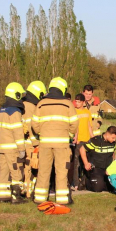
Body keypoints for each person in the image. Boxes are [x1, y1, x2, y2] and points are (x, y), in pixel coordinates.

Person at [31, 77, 78, 205]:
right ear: (63, 89)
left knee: (43, 171)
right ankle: (62, 200)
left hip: (45, 143)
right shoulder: (67, 104)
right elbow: (74, 123)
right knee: (61, 172)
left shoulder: (41, 103)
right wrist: (68, 135)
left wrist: (42, 133)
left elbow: (34, 123)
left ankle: (40, 198)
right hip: (62, 144)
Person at [0, 82, 27, 204]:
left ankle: (4, 196)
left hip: (2, 148)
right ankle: (16, 197)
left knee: (4, 172)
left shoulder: (2, 110)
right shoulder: (15, 112)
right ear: (17, 95)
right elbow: (17, 132)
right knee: (16, 172)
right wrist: (21, 149)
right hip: (12, 148)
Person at [22, 80, 46, 198]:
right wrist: (36, 143)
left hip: (22, 143)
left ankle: (24, 190)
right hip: (30, 144)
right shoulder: (30, 107)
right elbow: (31, 127)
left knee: (24, 168)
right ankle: (28, 192)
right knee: (30, 168)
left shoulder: (23, 104)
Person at [80, 126, 116, 192]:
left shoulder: (113, 143)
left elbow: (113, 152)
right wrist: (86, 163)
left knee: (112, 187)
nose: (114, 140)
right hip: (96, 168)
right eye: (113, 138)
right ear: (107, 134)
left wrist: (113, 163)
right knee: (98, 188)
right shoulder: (96, 141)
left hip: (107, 169)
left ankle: (103, 183)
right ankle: (85, 181)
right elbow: (82, 149)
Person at [70, 93, 94, 189]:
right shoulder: (74, 112)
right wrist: (76, 138)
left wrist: (93, 138)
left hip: (87, 140)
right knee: (76, 163)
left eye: (79, 102)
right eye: (76, 101)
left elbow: (89, 126)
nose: (77, 103)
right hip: (78, 141)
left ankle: (84, 181)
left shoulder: (87, 112)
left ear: (83, 102)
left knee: (86, 162)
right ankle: (75, 183)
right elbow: (74, 127)